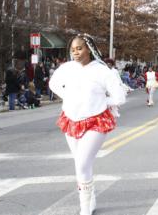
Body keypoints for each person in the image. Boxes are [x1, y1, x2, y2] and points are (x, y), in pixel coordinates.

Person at [49, 34, 126, 215]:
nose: (75, 53)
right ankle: (90, 199)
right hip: (71, 119)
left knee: (82, 163)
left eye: (79, 48)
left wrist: (102, 101)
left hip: (95, 120)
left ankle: (84, 209)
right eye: (73, 49)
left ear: (89, 49)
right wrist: (67, 96)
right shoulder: (66, 68)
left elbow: (119, 97)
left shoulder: (102, 71)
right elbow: (53, 84)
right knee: (81, 163)